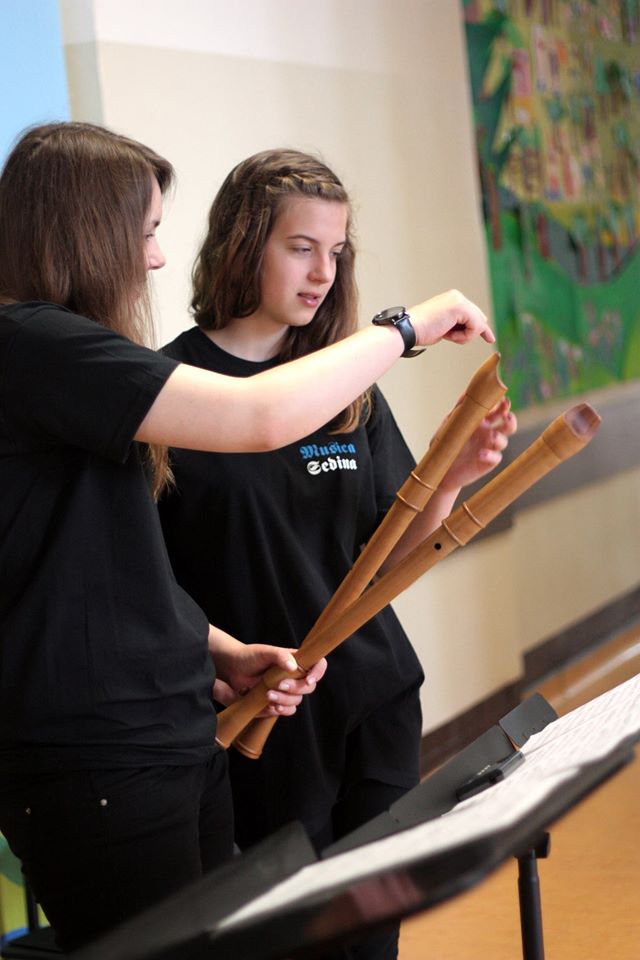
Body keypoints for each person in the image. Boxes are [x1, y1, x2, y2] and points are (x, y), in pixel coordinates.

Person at [0, 126, 495, 953]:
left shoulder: (71, 355)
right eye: (145, 231)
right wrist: (408, 327)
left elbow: (108, 566)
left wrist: (213, 646)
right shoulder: (35, 345)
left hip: (180, 734)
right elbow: (259, 416)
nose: (155, 258)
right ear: (87, 231)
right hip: (107, 757)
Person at [158, 150, 516, 960]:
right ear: (243, 243)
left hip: (374, 704)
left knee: (371, 941)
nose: (323, 273)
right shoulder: (174, 389)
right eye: (301, 247)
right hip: (267, 719)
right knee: (297, 940)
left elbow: (391, 558)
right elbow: (150, 582)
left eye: (337, 251)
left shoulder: (344, 385)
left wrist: (451, 477)